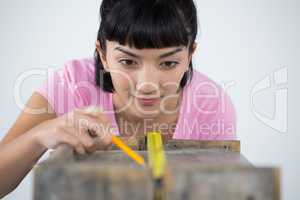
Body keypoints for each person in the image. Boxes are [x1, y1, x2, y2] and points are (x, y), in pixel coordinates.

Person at [0, 0, 236, 197]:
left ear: (190, 54)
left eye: (169, 63)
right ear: (102, 54)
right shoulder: (70, 85)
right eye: (128, 62)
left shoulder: (211, 103)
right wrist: (42, 133)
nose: (147, 85)